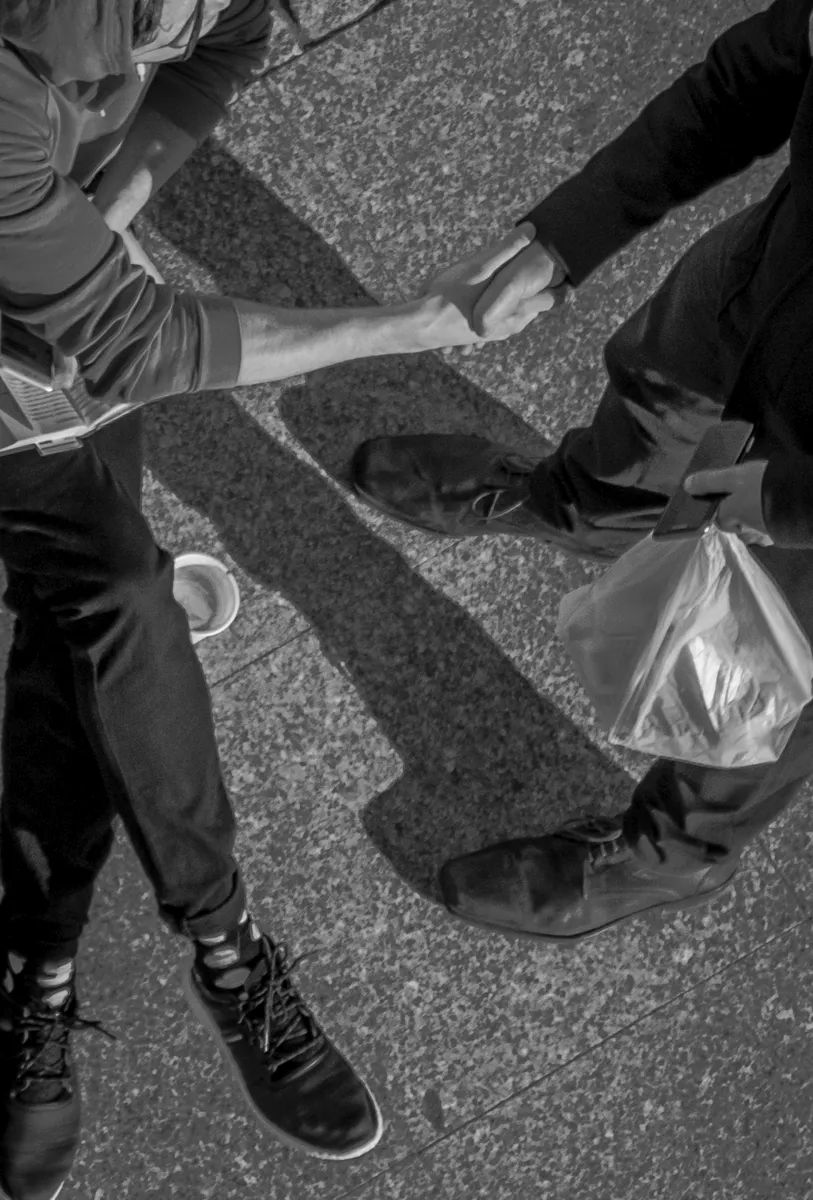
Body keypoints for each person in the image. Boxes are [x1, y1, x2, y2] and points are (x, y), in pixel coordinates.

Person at [0, 2, 558, 1197]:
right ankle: (217, 943)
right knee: (116, 597)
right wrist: (427, 320)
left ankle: (40, 974)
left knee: (94, 615)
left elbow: (224, 52)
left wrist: (95, 225)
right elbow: (141, 345)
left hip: (44, 310)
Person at [352, 0, 813, 945]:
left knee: (762, 673)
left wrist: (771, 499)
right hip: (769, 280)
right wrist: (568, 234)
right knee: (650, 412)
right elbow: (755, 74)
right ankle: (576, 508)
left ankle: (671, 852)